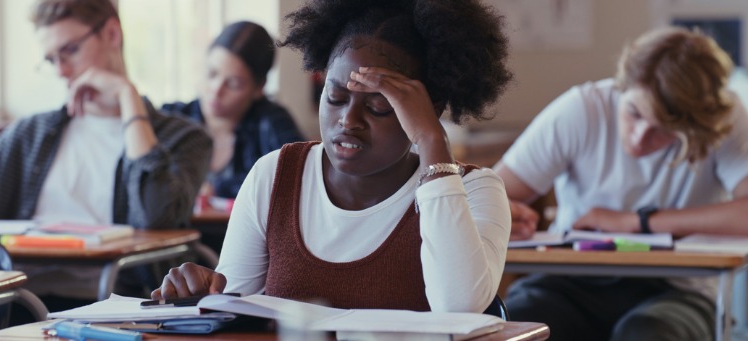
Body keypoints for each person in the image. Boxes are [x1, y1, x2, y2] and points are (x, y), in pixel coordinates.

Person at [151, 0, 513, 313]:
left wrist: (431, 140)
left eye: (378, 107)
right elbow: (233, 309)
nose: (348, 121)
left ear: (425, 111)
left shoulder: (475, 191)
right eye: (335, 97)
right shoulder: (274, 175)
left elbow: (460, 308)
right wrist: (203, 295)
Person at [496, 27, 748, 340]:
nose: (639, 139)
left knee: (646, 332)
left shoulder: (722, 117)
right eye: (634, 113)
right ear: (623, 86)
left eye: (663, 130)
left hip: (679, 289)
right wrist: (505, 213)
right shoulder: (582, 109)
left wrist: (638, 222)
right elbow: (487, 197)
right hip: (573, 280)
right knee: (520, 320)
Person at [0, 0, 211, 306]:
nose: (62, 71)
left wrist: (128, 97)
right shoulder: (31, 133)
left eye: (70, 50)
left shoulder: (185, 137)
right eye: (52, 59)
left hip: (117, 304)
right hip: (20, 303)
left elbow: (157, 217)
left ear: (112, 34)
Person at [162, 21, 303, 199]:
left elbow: (301, 179)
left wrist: (217, 189)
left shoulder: (271, 123)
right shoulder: (173, 118)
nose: (216, 90)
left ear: (259, 88)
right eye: (211, 74)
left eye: (233, 84)